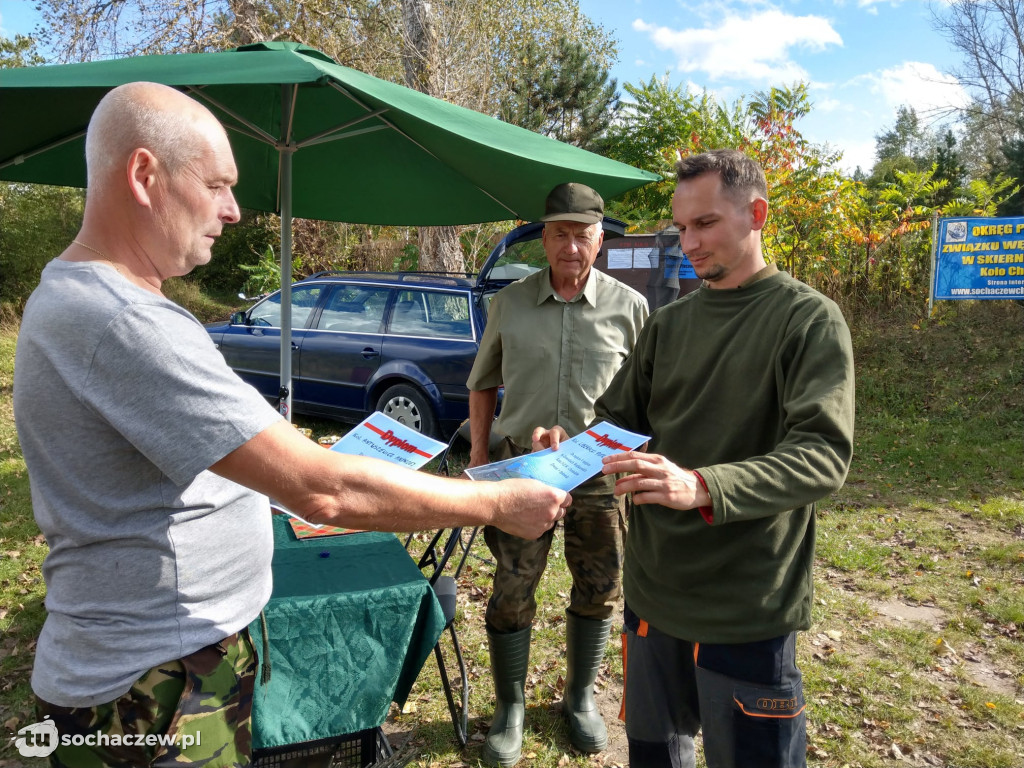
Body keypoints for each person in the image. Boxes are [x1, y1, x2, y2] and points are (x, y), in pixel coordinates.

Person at [12, 81, 570, 768]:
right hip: (149, 689)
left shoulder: (91, 297)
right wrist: (499, 503)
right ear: (144, 174)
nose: (233, 209)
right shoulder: (123, 320)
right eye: (216, 184)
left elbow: (231, 459)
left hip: (161, 663)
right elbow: (322, 492)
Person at [535, 150, 855, 768]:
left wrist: (701, 485)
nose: (688, 243)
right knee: (656, 756)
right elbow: (620, 426)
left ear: (755, 213)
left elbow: (822, 454)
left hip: (747, 600)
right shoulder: (669, 324)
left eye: (705, 224)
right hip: (654, 593)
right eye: (680, 228)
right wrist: (566, 449)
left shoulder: (808, 320)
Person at [466, 182, 648, 766]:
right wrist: (477, 458)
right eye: (560, 234)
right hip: (525, 466)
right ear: (543, 239)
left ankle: (579, 697)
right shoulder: (511, 303)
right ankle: (510, 706)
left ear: (601, 242)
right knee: (513, 585)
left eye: (583, 235)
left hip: (600, 472)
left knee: (600, 585)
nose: (571, 247)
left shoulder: (630, 307)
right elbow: (482, 383)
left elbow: (649, 398)